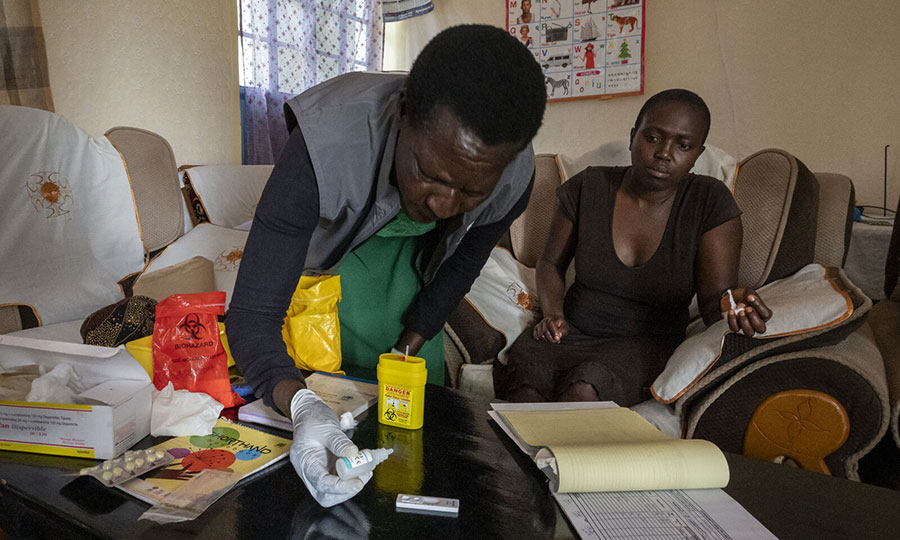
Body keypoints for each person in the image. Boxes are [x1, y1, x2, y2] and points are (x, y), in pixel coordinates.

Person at [226, 24, 546, 507]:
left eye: (470, 192)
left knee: (411, 452)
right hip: (335, 268)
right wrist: (302, 404)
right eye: (429, 175)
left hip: (420, 272)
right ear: (401, 115)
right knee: (327, 418)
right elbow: (252, 314)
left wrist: (407, 346)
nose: (444, 204)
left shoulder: (514, 176)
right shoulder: (322, 148)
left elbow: (459, 267)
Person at [498, 89, 772, 405]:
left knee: (583, 392)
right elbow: (550, 264)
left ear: (697, 153)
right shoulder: (589, 186)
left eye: (682, 146)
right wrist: (553, 315)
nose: (665, 153)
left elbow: (715, 301)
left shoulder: (709, 201)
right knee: (524, 391)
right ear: (633, 137)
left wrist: (734, 304)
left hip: (643, 345)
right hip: (569, 331)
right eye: (653, 138)